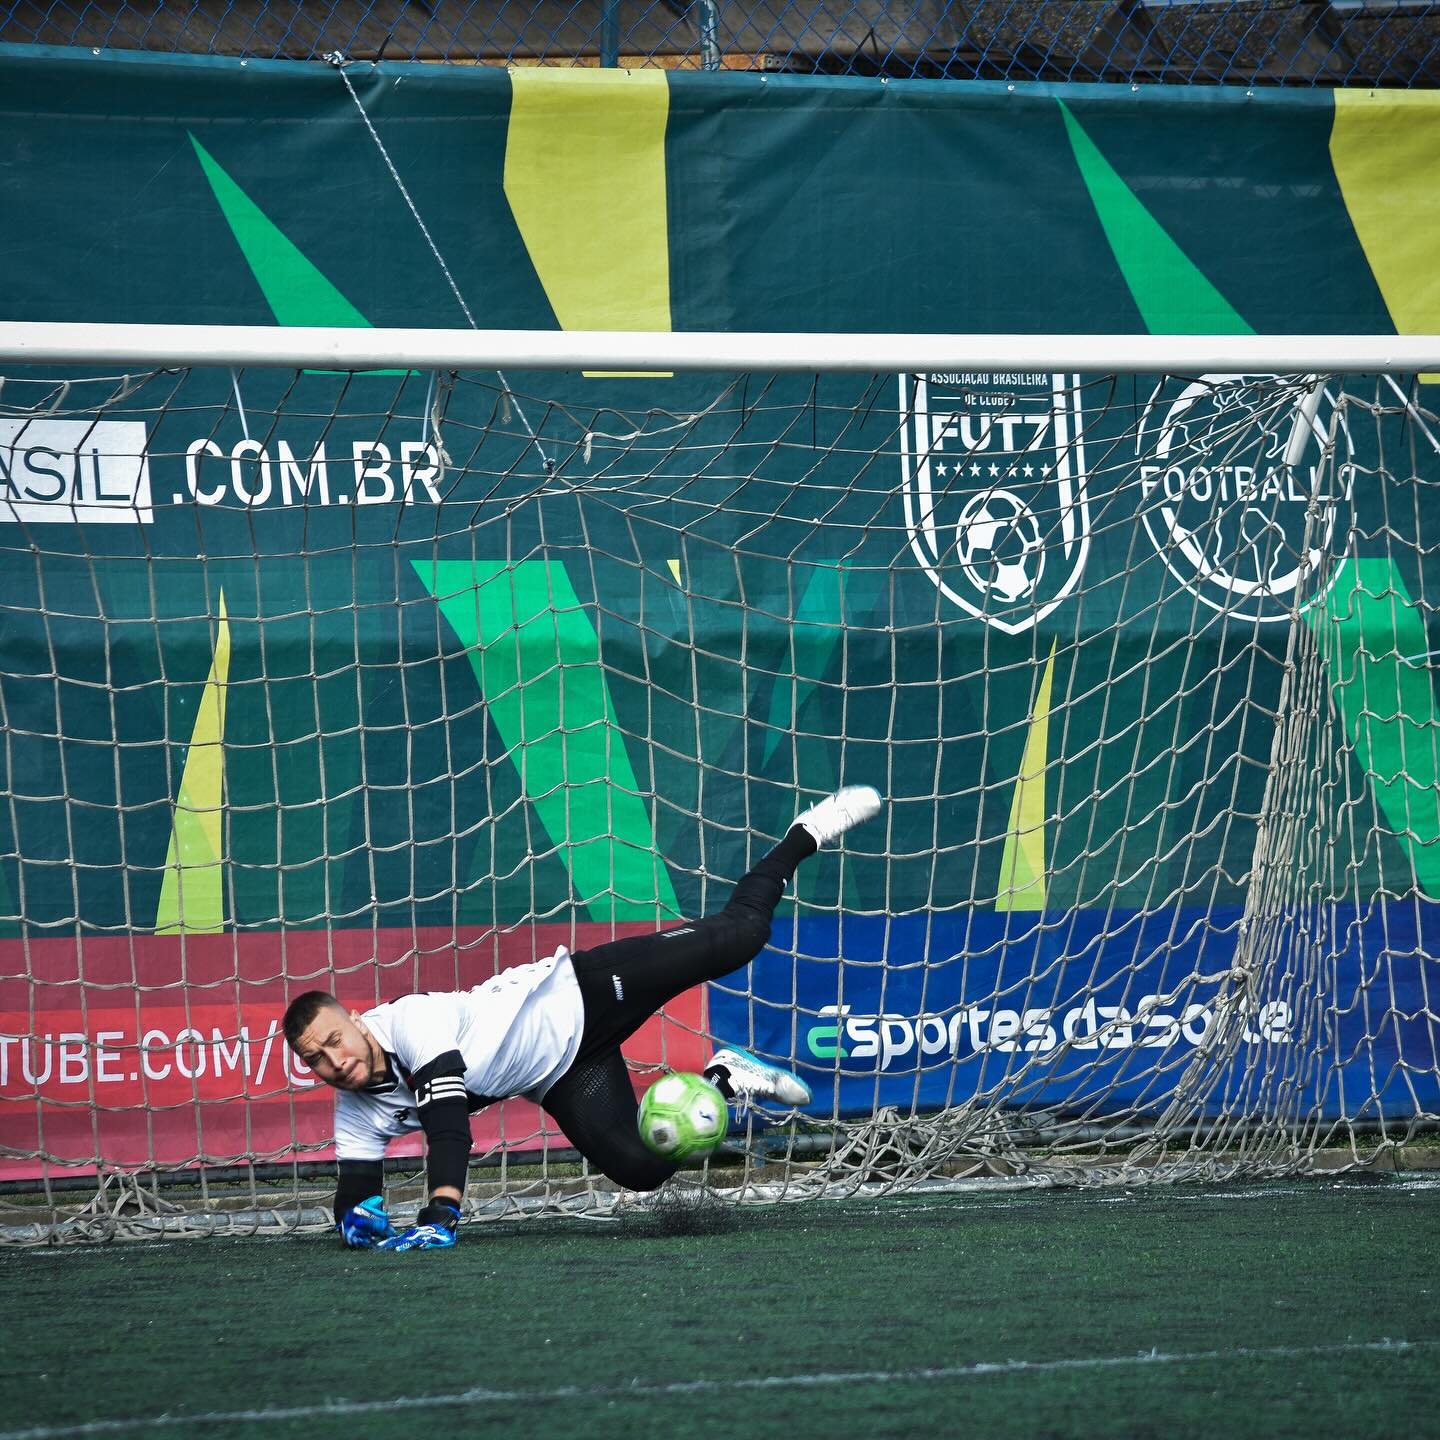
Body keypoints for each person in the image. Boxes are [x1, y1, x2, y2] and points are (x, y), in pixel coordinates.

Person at [283, 785, 882, 1252]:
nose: (335, 1061)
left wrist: (441, 1212)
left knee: (743, 934)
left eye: (336, 1040)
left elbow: (448, 1129)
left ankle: (805, 832)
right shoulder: (354, 1109)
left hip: (585, 993)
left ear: (357, 1021)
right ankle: (724, 1078)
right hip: (563, 1075)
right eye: (316, 1058)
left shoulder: (410, 1023)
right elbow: (355, 1188)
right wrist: (356, 1220)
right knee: (639, 1169)